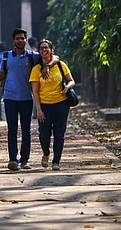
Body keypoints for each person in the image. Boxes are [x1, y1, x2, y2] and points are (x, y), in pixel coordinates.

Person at [0, 28, 58, 171]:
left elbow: (55, 57)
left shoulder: (33, 56)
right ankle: (13, 159)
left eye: (22, 38)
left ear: (26, 40)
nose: (20, 40)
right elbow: (2, 75)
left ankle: (24, 160)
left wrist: (47, 66)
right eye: (17, 38)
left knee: (26, 130)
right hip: (10, 98)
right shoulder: (7, 56)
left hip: (27, 98)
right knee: (12, 129)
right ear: (13, 40)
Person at [30, 39, 75, 171]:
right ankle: (46, 153)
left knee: (59, 133)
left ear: (51, 50)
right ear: (39, 52)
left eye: (46, 48)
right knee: (44, 133)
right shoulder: (36, 69)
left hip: (61, 104)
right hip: (44, 105)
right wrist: (38, 109)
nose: (44, 50)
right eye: (42, 48)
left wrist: (67, 87)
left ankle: (56, 161)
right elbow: (35, 91)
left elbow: (71, 81)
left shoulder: (61, 65)